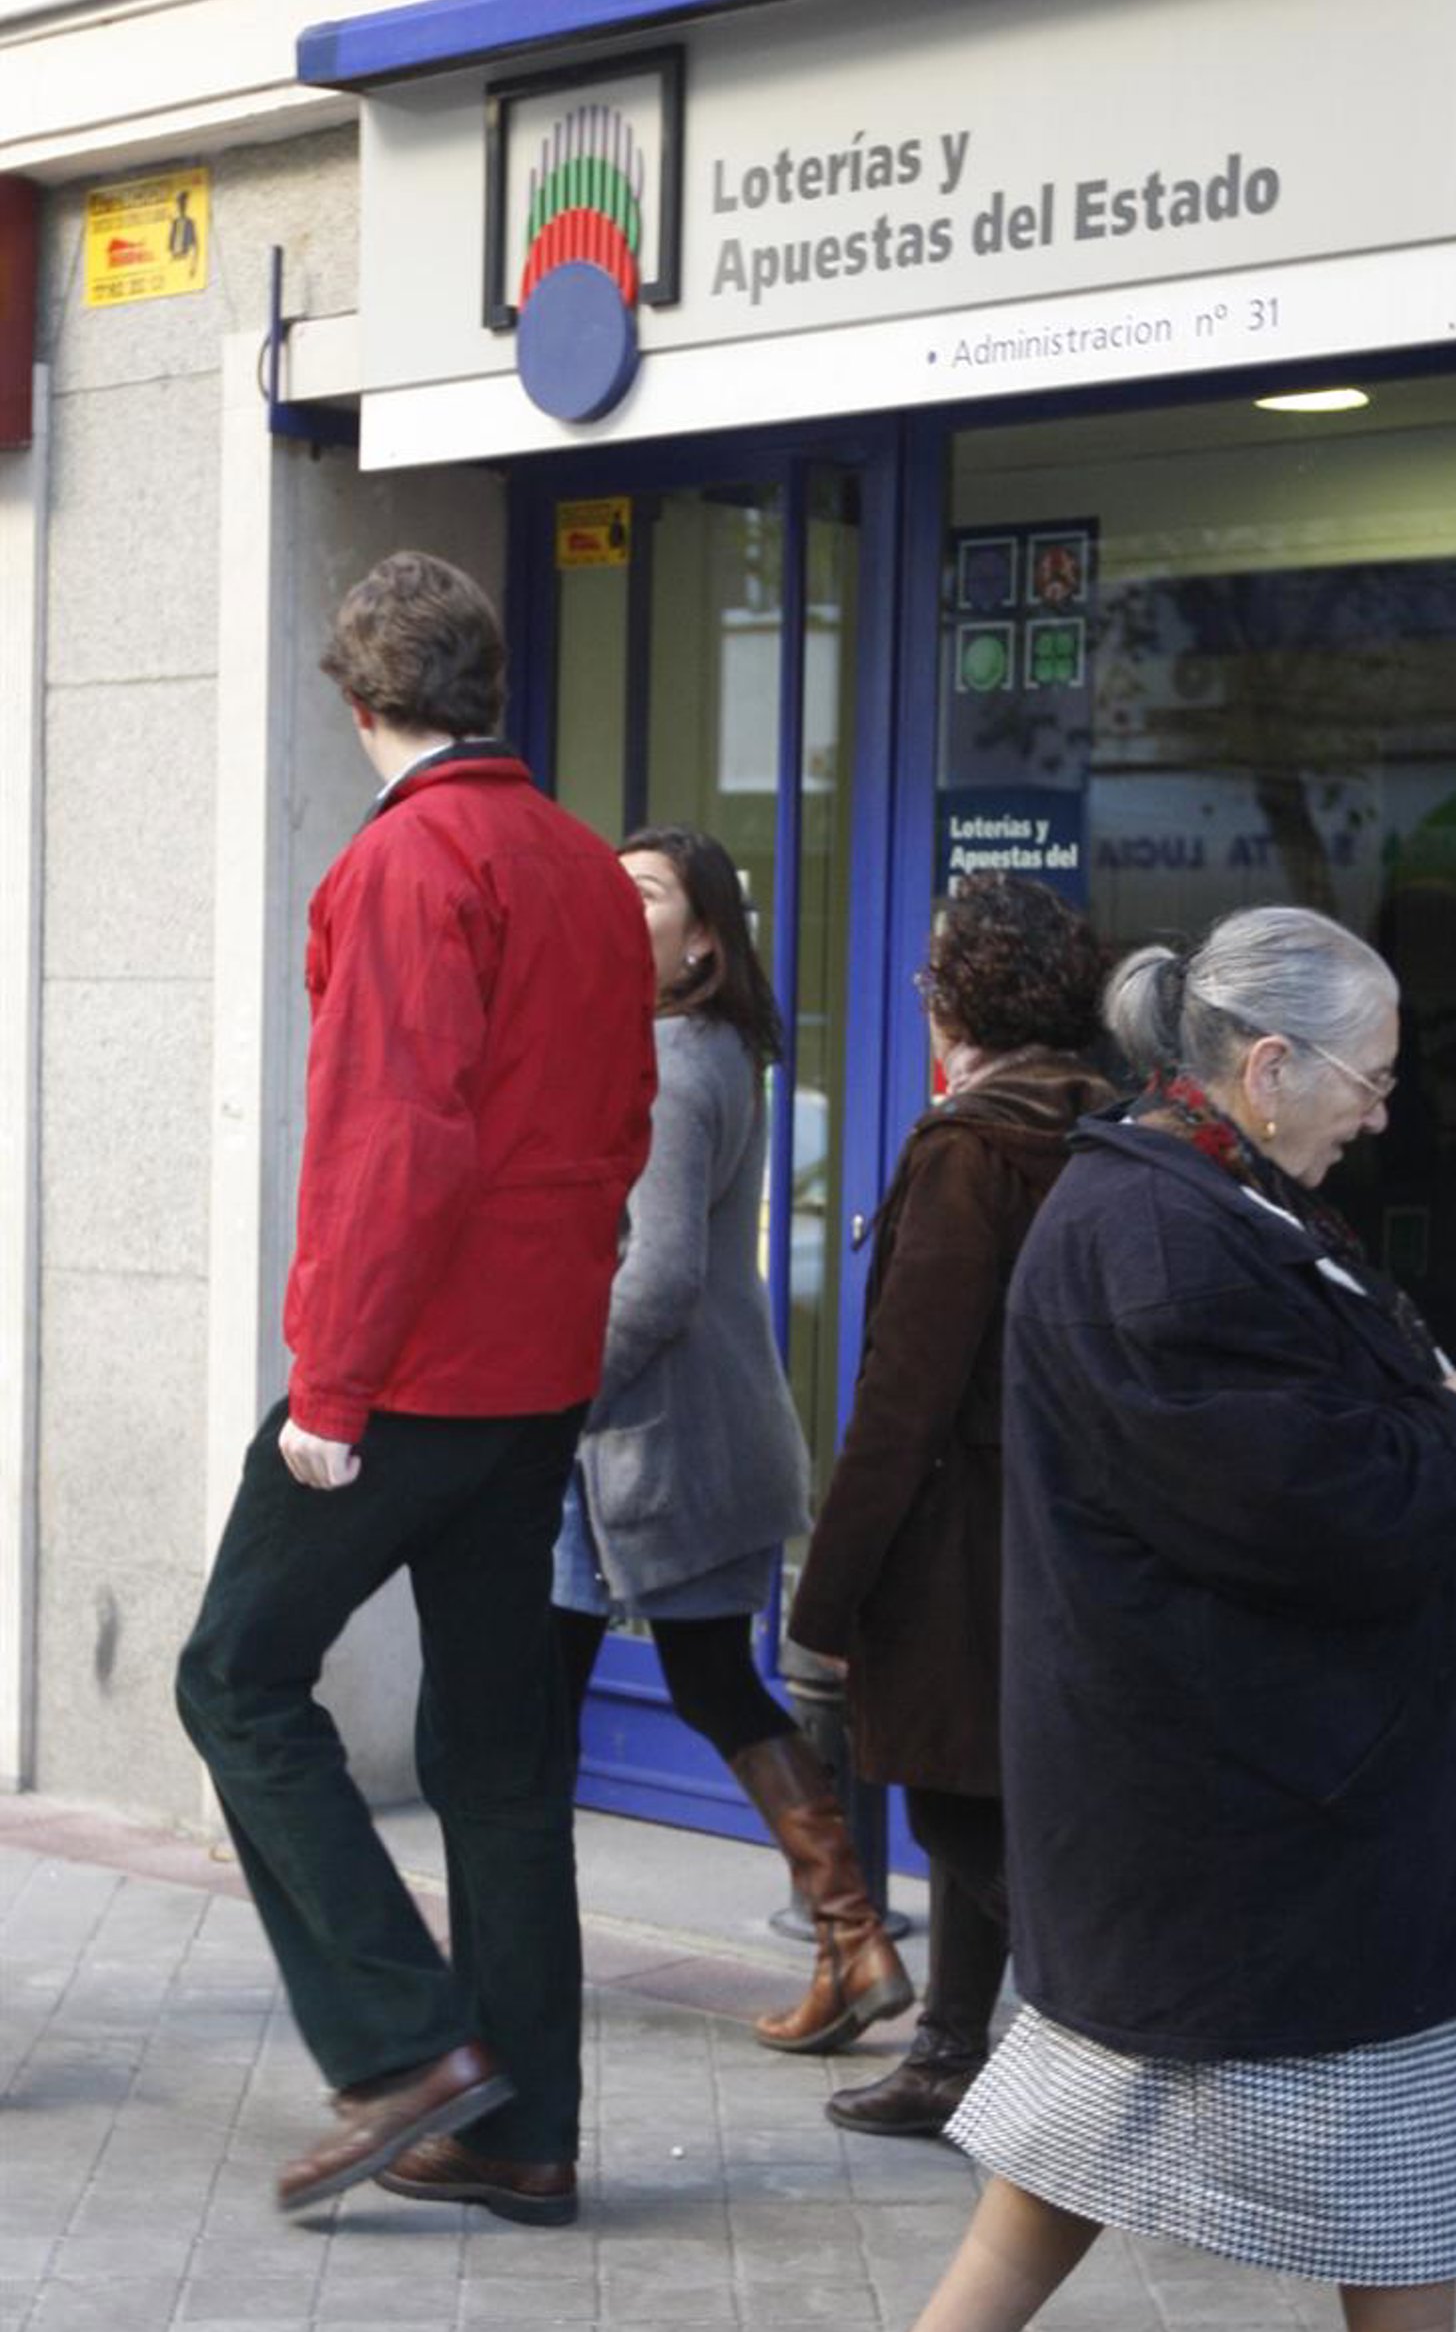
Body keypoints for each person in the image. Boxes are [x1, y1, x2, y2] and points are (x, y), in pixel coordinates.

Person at [824, 905, 1456, 2332]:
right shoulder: (1160, 1230)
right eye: (1371, 1079)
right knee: (1385, 2135)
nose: (1386, 1112)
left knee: (1100, 2108)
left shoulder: (1200, 1194)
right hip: (1256, 1801)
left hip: (1230, 1790)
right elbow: (1310, 1506)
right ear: (1265, 1066)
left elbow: (1305, 1445)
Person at [175, 553, 656, 2223]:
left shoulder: (407, 860)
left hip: (415, 1370)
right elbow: (621, 1126)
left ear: (358, 694)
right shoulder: (585, 865)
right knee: (501, 1758)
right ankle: (526, 2133)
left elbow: (397, 1137)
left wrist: (332, 1386)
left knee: (234, 1676)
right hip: (538, 1372)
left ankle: (403, 2046)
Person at [389, 826, 908, 2133]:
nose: (618, 910)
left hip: (652, 1438)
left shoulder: (677, 1061)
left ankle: (827, 1937)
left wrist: (550, 1399)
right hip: (652, 1440)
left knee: (616, 1697)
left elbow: (660, 1277)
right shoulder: (687, 1046)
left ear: (703, 940)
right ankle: (842, 1941)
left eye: (648, 894)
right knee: (625, 1690)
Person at [788, 873, 1111, 2138]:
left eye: (934, 981)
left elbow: (902, 1396)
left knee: (954, 1802)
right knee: (989, 1787)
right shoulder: (1106, 1122)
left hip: (966, 1538)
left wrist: (830, 1595)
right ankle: (949, 2051)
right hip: (1074, 1526)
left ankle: (1133, 2041)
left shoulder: (969, 1149)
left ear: (959, 1003)